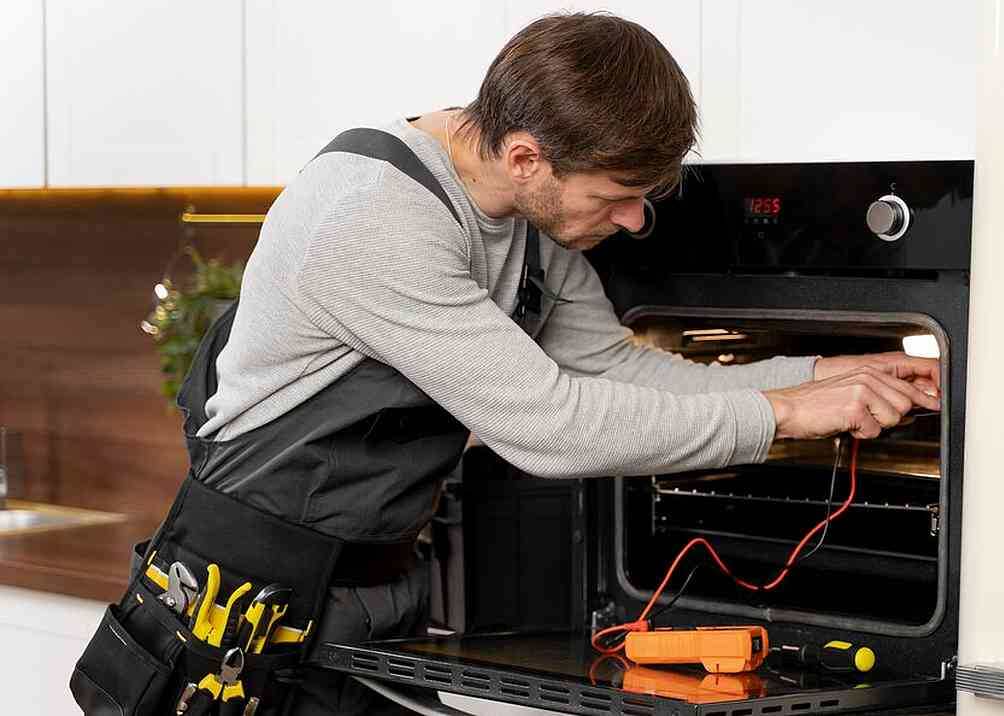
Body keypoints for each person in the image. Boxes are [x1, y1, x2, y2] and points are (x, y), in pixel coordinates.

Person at [76, 12, 938, 716]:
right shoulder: (371, 218)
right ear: (527, 156)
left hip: (370, 597)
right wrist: (786, 415)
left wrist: (824, 375)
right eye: (616, 197)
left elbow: (613, 372)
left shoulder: (529, 221)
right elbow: (552, 426)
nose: (634, 222)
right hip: (239, 613)